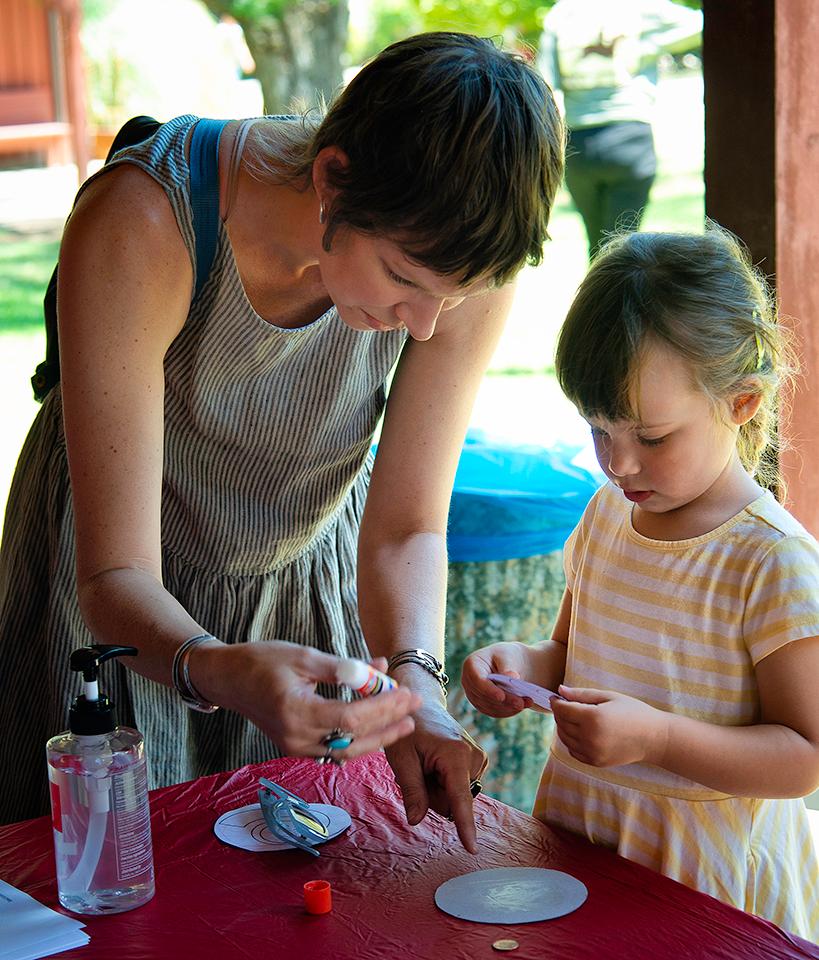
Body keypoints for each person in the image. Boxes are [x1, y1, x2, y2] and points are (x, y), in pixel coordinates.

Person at [0, 31, 565, 843]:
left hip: (301, 588)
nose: (427, 324)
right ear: (333, 176)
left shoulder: (456, 256)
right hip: (118, 610)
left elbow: (406, 525)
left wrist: (418, 693)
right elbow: (113, 572)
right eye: (403, 281)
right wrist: (218, 666)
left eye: (454, 294)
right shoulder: (148, 220)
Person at [462, 226, 819, 939]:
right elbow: (571, 652)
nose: (617, 463)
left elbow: (803, 757)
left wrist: (656, 739)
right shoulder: (605, 517)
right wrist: (518, 667)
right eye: (597, 429)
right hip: (582, 847)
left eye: (650, 438)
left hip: (703, 886)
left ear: (741, 403)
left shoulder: (770, 562)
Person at [538, 0, 701, 256]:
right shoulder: (640, 8)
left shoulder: (561, 13)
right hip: (630, 138)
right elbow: (699, 23)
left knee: (598, 247)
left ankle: (595, 293)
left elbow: (545, 81)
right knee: (624, 250)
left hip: (578, 145)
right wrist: (651, 46)